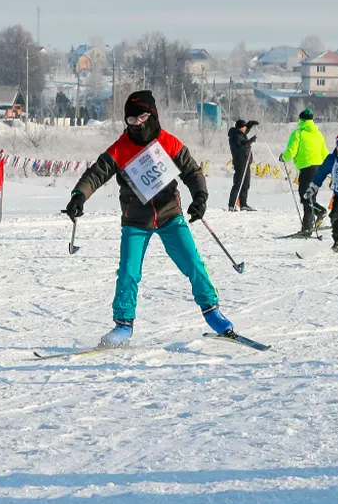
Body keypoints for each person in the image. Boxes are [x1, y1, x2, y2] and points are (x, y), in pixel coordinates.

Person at [64, 90, 236, 348]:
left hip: (169, 215)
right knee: (128, 272)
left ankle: (212, 311)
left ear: (153, 116)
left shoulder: (168, 142)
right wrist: (79, 196)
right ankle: (123, 325)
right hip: (135, 220)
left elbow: (192, 172)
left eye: (142, 118)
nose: (137, 124)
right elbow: (95, 174)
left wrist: (199, 197)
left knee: (193, 263)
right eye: (131, 121)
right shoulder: (120, 148)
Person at [280, 108, 328, 232]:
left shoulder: (298, 133)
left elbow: (291, 151)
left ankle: (320, 211)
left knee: (305, 198)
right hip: (318, 169)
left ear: (301, 120)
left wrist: (283, 157)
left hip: (307, 170)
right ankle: (307, 227)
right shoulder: (318, 134)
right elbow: (325, 153)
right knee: (311, 198)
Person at [227, 119, 259, 211]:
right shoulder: (235, 136)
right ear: (240, 128)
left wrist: (250, 125)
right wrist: (250, 141)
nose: (245, 129)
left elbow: (244, 133)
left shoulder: (240, 134)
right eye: (244, 127)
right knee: (238, 183)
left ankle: (243, 204)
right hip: (240, 162)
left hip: (246, 162)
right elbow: (241, 147)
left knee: (246, 183)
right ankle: (231, 205)